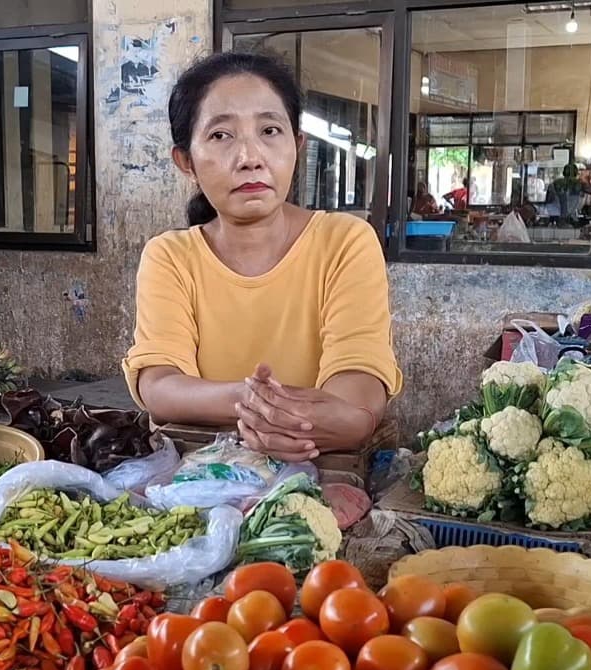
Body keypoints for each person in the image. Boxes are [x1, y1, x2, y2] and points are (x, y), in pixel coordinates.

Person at [123, 52, 402, 462]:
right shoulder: (171, 257)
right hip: (197, 477)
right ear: (186, 162)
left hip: (318, 470)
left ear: (297, 146)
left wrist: (322, 418)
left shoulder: (344, 242)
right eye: (221, 136)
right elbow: (160, 384)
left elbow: (358, 385)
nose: (250, 158)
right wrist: (253, 401)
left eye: (270, 130)